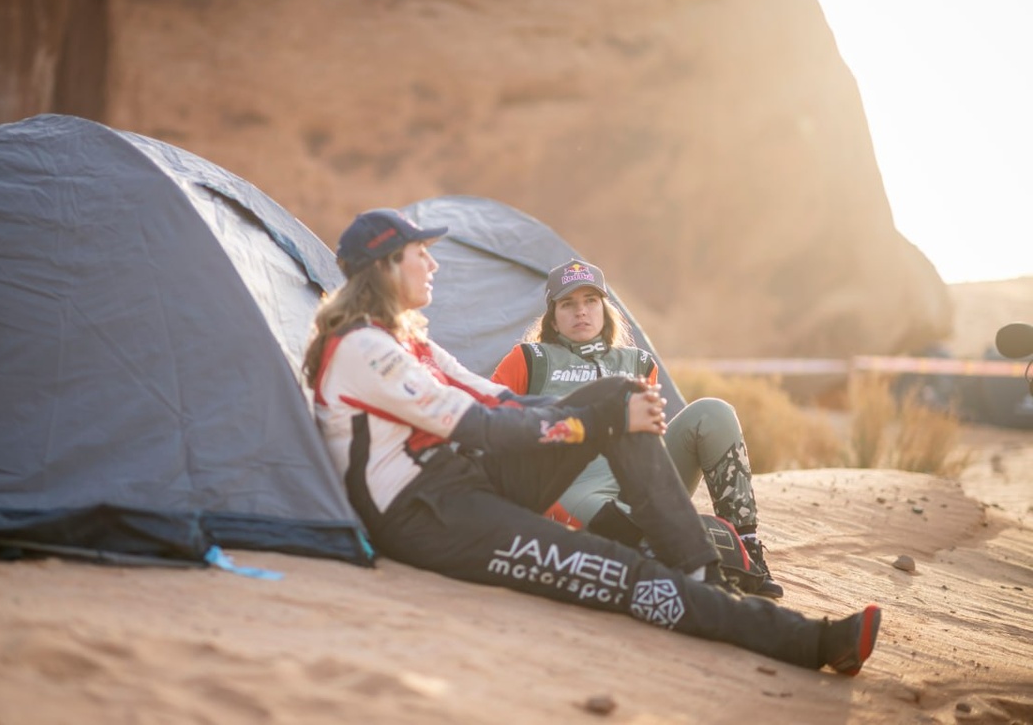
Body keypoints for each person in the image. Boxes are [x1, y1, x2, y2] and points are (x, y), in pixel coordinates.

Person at [302, 207, 880, 675]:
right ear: (385, 266)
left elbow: (496, 399)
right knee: (619, 572)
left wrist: (602, 413)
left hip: (466, 480)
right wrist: (592, 425)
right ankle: (811, 642)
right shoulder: (362, 349)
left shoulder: (406, 339)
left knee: (617, 392)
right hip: (430, 517)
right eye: (419, 253)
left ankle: (701, 575)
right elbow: (476, 424)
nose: (432, 263)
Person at [491, 258, 784, 597]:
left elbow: (652, 438)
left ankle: (747, 547)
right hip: (573, 487)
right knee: (610, 521)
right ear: (553, 318)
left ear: (605, 309)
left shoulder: (639, 362)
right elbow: (492, 423)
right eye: (568, 304)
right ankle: (679, 552)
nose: (581, 311)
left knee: (713, 413)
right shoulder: (529, 359)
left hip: (642, 482)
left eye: (590, 301)